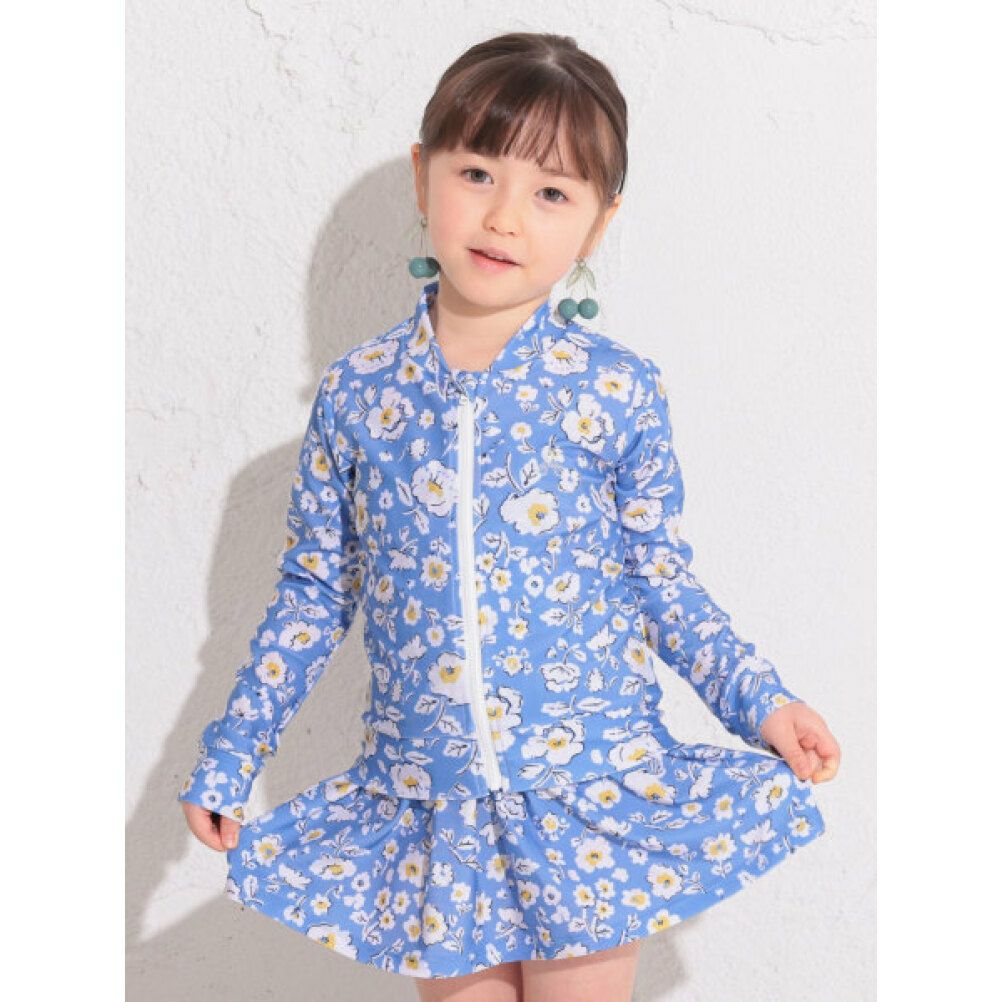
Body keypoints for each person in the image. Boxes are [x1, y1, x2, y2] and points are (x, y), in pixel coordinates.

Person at [177, 30, 840, 1000]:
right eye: (478, 173)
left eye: (552, 193)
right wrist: (231, 755)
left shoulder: (613, 390)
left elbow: (660, 579)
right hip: (432, 807)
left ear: (599, 224)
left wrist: (762, 704)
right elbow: (315, 594)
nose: (503, 216)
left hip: (587, 793)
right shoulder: (360, 395)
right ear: (423, 175)